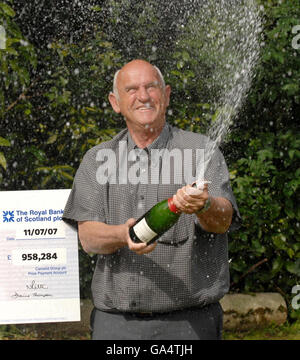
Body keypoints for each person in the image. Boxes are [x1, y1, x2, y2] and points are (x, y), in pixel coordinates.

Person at [63, 59, 241, 340]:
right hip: (117, 325)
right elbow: (89, 238)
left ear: (167, 95)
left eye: (151, 87)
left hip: (190, 324)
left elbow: (223, 221)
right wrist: (125, 234)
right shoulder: (96, 160)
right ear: (115, 102)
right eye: (131, 89)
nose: (143, 96)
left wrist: (205, 205)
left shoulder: (201, 151)